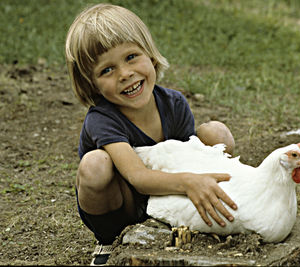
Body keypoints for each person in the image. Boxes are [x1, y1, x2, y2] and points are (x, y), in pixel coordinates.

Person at [65, 3, 237, 266]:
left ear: (151, 54)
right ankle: (109, 243)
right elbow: (139, 178)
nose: (125, 74)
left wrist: (194, 179)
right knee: (95, 164)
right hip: (122, 207)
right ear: (92, 84)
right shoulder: (102, 119)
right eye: (107, 70)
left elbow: (187, 159)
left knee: (216, 133)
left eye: (131, 56)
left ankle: (193, 217)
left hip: (165, 199)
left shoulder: (174, 104)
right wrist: (189, 182)